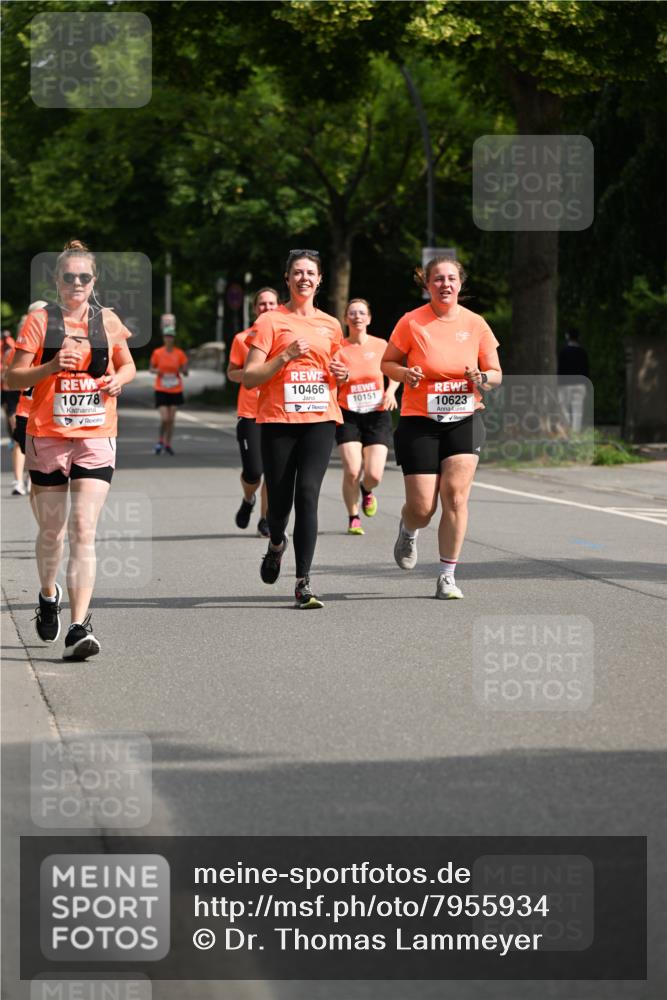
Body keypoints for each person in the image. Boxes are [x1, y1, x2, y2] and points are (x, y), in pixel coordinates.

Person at [6, 240, 136, 658]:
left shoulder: (108, 320)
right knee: (52, 532)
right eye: (69, 277)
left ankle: (79, 626)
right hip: (47, 436)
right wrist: (49, 367)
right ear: (57, 281)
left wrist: (121, 380)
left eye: (84, 277)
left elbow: (128, 363)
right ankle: (48, 594)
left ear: (94, 281)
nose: (77, 283)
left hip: (97, 434)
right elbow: (11, 378)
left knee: (83, 529)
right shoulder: (40, 321)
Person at [381, 256, 501, 599]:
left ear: (460, 284)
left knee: (456, 496)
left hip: (465, 416)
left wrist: (483, 377)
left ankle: (447, 575)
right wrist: (405, 374)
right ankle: (409, 528)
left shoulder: (476, 324)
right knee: (422, 508)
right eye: (438, 279)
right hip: (420, 419)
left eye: (451, 279)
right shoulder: (411, 322)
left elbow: (496, 372)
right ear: (427, 284)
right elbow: (387, 362)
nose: (445, 284)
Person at [243, 249, 346, 609]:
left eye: (310, 273)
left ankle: (303, 582)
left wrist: (341, 375)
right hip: (277, 420)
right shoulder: (271, 321)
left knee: (308, 494)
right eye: (297, 272)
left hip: (320, 419)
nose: (304, 278)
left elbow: (337, 370)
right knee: (280, 504)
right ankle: (275, 545)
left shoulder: (331, 325)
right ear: (287, 278)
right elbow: (251, 376)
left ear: (319, 281)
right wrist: (284, 356)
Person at [335, 298, 399, 535]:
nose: (357, 317)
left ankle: (366, 489)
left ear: (369, 318)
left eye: (362, 313)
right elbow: (332, 379)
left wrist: (391, 391)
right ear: (346, 319)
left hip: (377, 413)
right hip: (348, 413)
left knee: (374, 474)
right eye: (352, 313)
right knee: (352, 469)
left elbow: (393, 372)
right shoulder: (338, 348)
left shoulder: (381, 345)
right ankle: (353, 517)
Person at [227, 287, 280, 536]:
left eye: (271, 304)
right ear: (255, 308)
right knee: (254, 472)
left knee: (272, 472)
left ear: (278, 306)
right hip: (249, 412)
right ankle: (249, 499)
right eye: (262, 304)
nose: (267, 308)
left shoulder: (285, 337)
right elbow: (232, 372)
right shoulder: (242, 339)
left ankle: (265, 520)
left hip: (276, 411)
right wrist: (254, 373)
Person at [9, 301, 49, 508]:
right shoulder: (21, 343)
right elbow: (11, 375)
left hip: (46, 412)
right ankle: (19, 481)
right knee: (21, 445)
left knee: (38, 457)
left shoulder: (55, 342)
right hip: (27, 409)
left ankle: (30, 481)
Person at [149, 329, 188, 454]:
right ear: (163, 338)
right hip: (161, 388)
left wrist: (183, 370)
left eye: (171, 336)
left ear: (174, 338)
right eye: (167, 336)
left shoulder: (179, 353)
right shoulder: (157, 352)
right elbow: (151, 368)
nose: (169, 338)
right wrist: (158, 371)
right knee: (165, 418)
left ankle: (168, 443)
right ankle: (160, 440)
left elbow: (185, 370)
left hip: (175, 389)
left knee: (171, 419)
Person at [1, 326, 27, 495]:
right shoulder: (13, 351)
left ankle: (31, 478)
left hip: (40, 407)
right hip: (15, 400)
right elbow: (7, 378)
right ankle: (18, 481)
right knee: (18, 440)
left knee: (36, 444)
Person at [557, 330, 589, 433]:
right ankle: (575, 433)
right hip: (579, 384)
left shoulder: (563, 351)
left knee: (563, 407)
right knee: (577, 410)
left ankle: (567, 429)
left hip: (565, 384)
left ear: (567, 337)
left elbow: (560, 369)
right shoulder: (583, 352)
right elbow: (586, 370)